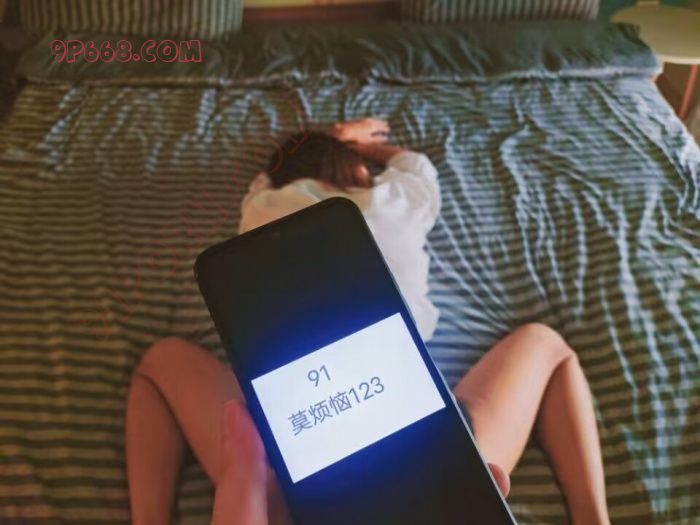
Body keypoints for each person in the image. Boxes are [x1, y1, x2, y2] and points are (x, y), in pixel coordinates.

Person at [125, 119, 611, 525]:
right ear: (358, 171)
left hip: (286, 480)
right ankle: (594, 517)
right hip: (427, 444)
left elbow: (265, 173)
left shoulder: (261, 205)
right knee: (547, 345)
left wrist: (323, 137)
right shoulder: (395, 198)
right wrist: (364, 145)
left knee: (159, 363)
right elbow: (417, 166)